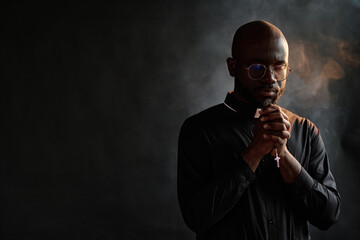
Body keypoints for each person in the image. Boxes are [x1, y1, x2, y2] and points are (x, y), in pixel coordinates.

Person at [177, 20, 341, 240]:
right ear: (233, 67)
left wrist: (284, 156)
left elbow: (328, 215)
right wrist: (254, 152)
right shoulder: (199, 130)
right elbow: (196, 217)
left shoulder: (305, 130)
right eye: (257, 68)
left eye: (279, 66)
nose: (270, 78)